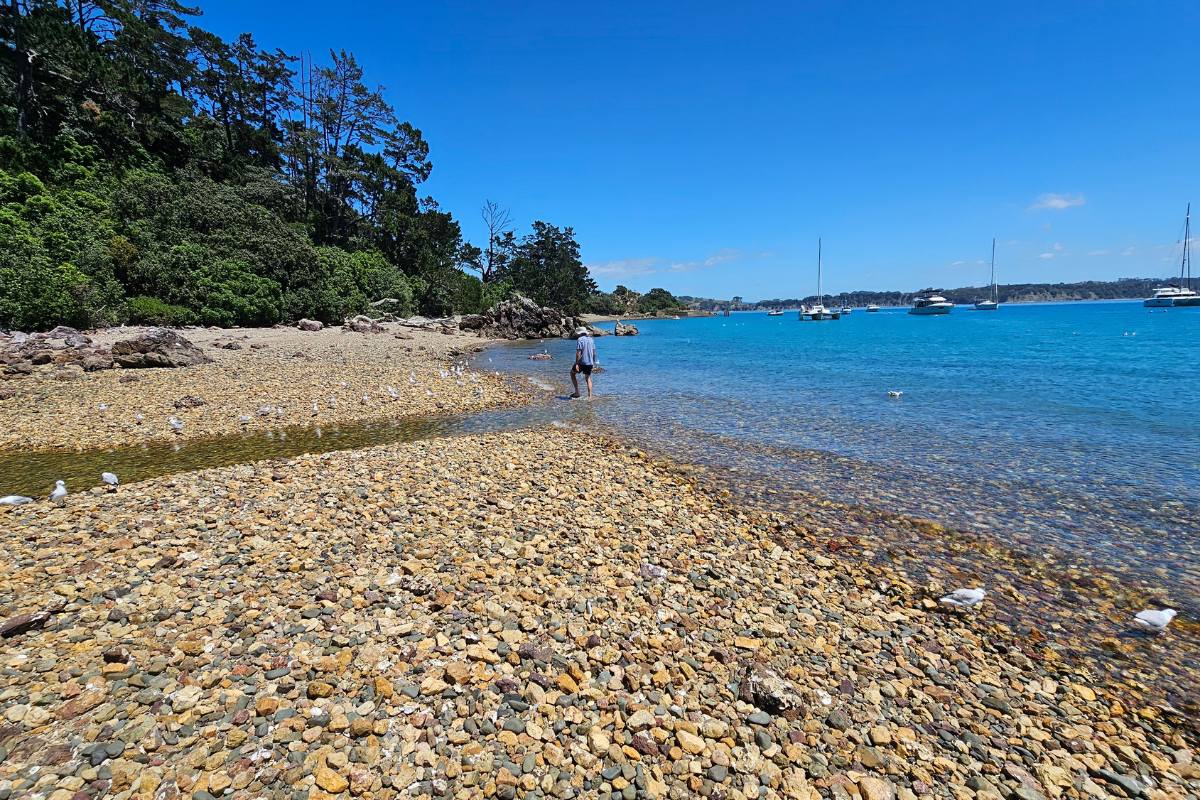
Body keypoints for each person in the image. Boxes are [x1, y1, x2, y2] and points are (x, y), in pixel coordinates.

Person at [569, 326, 597, 398]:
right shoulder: (591, 339)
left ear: (580, 333)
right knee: (588, 378)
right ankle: (590, 396)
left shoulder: (580, 339)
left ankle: (577, 392)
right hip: (590, 362)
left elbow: (578, 352)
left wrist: (577, 364)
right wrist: (593, 362)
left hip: (582, 362)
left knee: (572, 373)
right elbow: (594, 353)